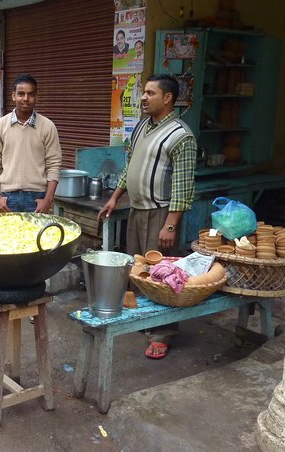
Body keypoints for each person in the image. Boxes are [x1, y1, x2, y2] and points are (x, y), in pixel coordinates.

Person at [98, 73, 197, 360]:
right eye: (143, 93)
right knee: (137, 270)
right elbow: (130, 168)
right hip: (137, 209)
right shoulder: (142, 127)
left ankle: (162, 333)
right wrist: (115, 198)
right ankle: (143, 320)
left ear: (167, 98)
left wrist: (170, 224)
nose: (143, 97)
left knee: (163, 275)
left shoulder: (181, 135)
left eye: (150, 93)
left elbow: (182, 186)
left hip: (161, 213)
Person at [0, 74, 62, 213]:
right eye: (21, 94)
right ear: (13, 96)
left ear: (36, 97)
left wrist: (48, 200)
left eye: (30, 94)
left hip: (37, 198)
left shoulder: (48, 126)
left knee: (36, 235)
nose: (26, 99)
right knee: (8, 235)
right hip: (8, 198)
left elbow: (54, 164)